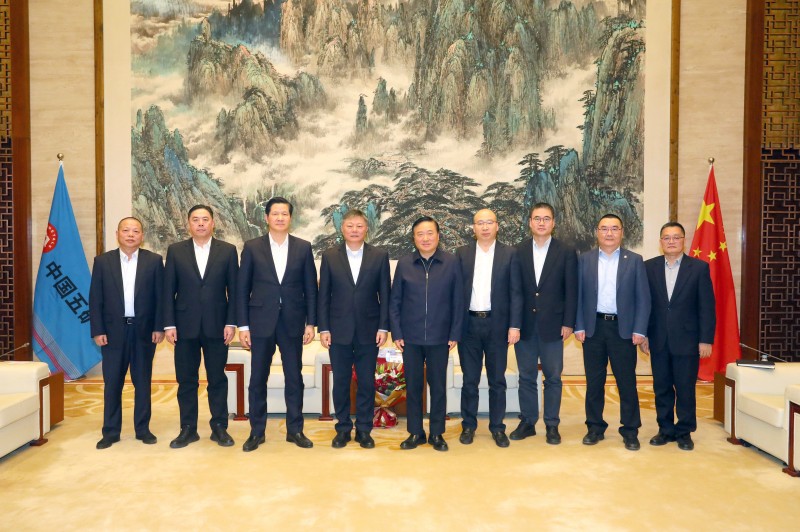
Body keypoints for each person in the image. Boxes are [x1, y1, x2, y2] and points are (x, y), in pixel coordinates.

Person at [237, 197, 318, 451]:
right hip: (260, 321)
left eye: (285, 213)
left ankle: (295, 430)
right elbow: (242, 289)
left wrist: (311, 323)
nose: (280, 217)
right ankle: (256, 432)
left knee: (294, 377)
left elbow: (310, 289)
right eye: (275, 213)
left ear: (290, 218)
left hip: (293, 321)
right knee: (257, 378)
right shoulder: (252, 247)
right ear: (267, 217)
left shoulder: (303, 247)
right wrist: (243, 326)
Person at [163, 205, 238, 449]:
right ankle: (188, 429)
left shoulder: (227, 251)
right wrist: (169, 324)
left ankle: (219, 427)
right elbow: (168, 290)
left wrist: (231, 322)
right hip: (184, 326)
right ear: (188, 224)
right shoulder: (176, 251)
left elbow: (234, 291)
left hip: (218, 326)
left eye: (205, 219)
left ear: (213, 223)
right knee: (187, 380)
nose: (201, 224)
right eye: (196, 220)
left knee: (217, 379)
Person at [575, 213, 650, 451]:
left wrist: (639, 329)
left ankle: (630, 430)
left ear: (622, 232)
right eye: (604, 228)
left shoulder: (634, 260)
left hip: (623, 329)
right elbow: (578, 296)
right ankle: (594, 427)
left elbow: (643, 298)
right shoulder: (584, 259)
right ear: (597, 232)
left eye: (614, 228)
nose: (609, 233)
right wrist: (579, 325)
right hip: (593, 328)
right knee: (594, 382)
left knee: (626, 383)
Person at [318, 209, 391, 449]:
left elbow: (385, 294)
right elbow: (323, 295)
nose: (354, 230)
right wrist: (324, 328)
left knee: (367, 383)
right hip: (337, 330)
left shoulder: (379, 256)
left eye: (359, 226)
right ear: (342, 228)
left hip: (369, 330)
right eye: (350, 226)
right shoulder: (330, 256)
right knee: (340, 382)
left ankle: (364, 429)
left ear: (366, 228)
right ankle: (342, 428)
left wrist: (383, 327)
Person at [89, 217, 164, 449]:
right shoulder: (103, 261)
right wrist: (98, 329)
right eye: (126, 230)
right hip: (112, 332)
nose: (130, 235)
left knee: (143, 382)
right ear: (117, 234)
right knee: (113, 383)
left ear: (142, 235)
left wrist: (159, 327)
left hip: (144, 331)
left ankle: (143, 429)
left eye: (136, 231)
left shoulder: (154, 261)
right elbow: (95, 299)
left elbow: (161, 298)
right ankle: (111, 431)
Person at [390, 216, 463, 452]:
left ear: (438, 236)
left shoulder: (451, 262)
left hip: (440, 337)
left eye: (430, 233)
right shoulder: (404, 264)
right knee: (413, 387)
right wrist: (397, 332)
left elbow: (458, 301)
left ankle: (437, 433)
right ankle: (416, 433)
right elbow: (395, 301)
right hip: (410, 338)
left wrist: (454, 332)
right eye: (420, 234)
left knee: (438, 387)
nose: (425, 238)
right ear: (414, 238)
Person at [643, 222, 715, 451]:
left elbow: (707, 307)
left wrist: (706, 339)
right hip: (658, 339)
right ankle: (665, 429)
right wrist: (644, 335)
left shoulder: (699, 268)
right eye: (666, 237)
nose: (671, 241)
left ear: (684, 240)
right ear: (660, 242)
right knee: (661, 387)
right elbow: (645, 305)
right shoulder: (649, 267)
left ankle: (684, 431)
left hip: (688, 340)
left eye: (676, 237)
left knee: (685, 388)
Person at [455, 209, 523, 447]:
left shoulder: (510, 254)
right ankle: (468, 426)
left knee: (497, 381)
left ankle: (497, 427)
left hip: (498, 325)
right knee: (470, 380)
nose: (485, 227)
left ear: (497, 226)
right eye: (480, 223)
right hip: (469, 325)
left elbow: (516, 293)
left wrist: (514, 325)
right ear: (473, 227)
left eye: (489, 222)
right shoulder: (462, 253)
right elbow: (455, 293)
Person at [512, 203, 578, 445]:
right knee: (526, 377)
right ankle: (528, 422)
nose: (541, 223)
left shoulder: (566, 251)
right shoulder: (517, 251)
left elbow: (571, 290)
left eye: (546, 218)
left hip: (554, 326)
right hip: (525, 326)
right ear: (530, 222)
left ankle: (552, 424)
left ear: (553, 223)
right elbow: (514, 290)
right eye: (537, 218)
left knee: (553, 378)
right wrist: (513, 324)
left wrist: (569, 322)